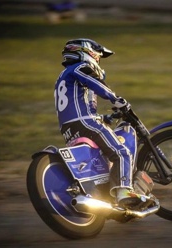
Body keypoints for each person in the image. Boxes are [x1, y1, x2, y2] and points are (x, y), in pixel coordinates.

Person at [54, 38, 144, 207]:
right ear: (89, 53)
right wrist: (116, 99)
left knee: (103, 156)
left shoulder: (62, 78)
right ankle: (124, 191)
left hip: (70, 128)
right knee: (121, 152)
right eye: (98, 57)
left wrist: (105, 119)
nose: (98, 62)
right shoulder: (80, 68)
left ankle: (101, 190)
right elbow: (96, 83)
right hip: (85, 122)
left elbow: (76, 106)